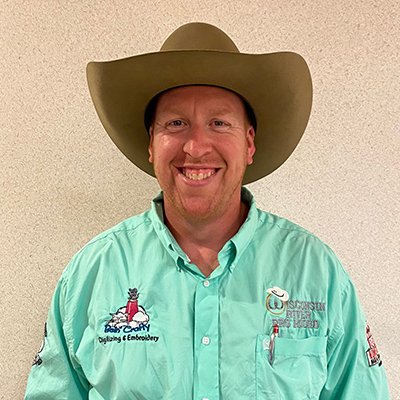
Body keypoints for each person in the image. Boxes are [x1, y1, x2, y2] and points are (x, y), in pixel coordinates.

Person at [25, 22, 389, 399]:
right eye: (176, 123)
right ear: (151, 144)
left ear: (249, 143)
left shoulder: (316, 272)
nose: (196, 147)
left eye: (219, 123)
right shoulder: (93, 273)